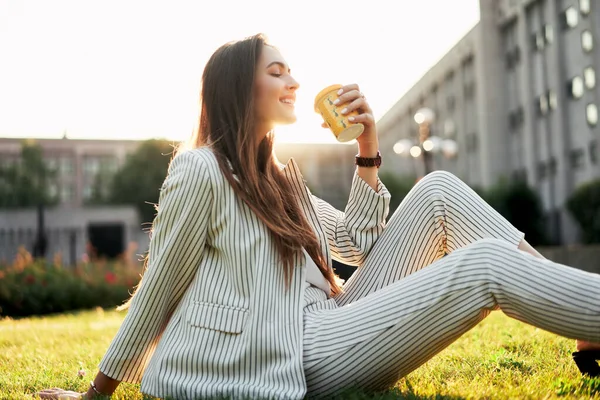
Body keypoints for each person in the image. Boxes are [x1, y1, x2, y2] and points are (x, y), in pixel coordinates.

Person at [39, 33, 600, 400]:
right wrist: (97, 394)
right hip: (294, 353)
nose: (295, 83)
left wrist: (368, 151)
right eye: (278, 72)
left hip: (332, 318)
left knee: (438, 190)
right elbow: (159, 286)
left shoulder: (282, 177)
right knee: (483, 267)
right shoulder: (201, 171)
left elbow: (357, 245)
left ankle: (586, 328)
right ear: (240, 88)